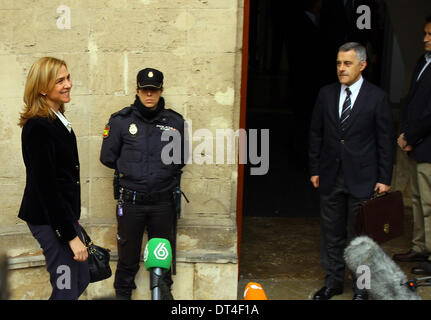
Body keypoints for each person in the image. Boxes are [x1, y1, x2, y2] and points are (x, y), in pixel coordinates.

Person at [308, 42, 394, 300]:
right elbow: (315, 133)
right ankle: (333, 283)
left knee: (362, 239)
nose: (341, 69)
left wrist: (384, 178)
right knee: (331, 235)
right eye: (338, 63)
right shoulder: (326, 94)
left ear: (362, 65)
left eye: (347, 63)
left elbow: (385, 140)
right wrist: (314, 168)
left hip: (364, 178)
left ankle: (361, 289)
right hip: (330, 176)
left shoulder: (376, 97)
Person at [100, 68, 187, 300]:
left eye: (154, 90)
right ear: (137, 90)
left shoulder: (175, 122)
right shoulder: (120, 121)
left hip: (162, 204)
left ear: (161, 90)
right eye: (145, 90)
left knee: (162, 263)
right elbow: (107, 157)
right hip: (132, 204)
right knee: (127, 260)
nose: (149, 95)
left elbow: (180, 160)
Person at [18, 57, 89, 300]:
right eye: (60, 80)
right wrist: (70, 236)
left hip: (62, 216)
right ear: (42, 88)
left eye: (68, 78)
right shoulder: (38, 127)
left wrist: (73, 223)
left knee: (81, 277)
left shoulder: (57, 120)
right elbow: (45, 187)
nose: (68, 84)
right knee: (67, 286)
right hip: (47, 219)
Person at [393, 16, 431, 275]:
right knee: (417, 200)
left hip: (428, 145)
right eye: (425, 32)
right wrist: (404, 133)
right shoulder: (422, 61)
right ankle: (420, 247)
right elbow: (411, 100)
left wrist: (412, 136)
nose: (425, 38)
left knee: (429, 204)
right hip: (415, 143)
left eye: (430, 34)